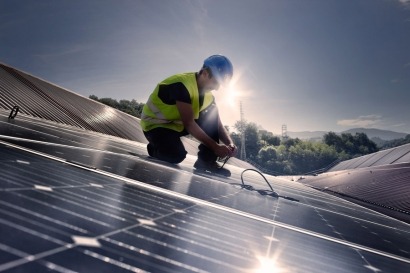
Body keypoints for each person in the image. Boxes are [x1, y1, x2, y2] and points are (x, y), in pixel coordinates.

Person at [140, 54, 237, 173]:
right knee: (175, 155)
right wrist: (216, 147)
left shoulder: (209, 97)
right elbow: (189, 124)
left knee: (211, 115)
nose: (217, 88)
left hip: (175, 126)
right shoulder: (181, 84)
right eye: (216, 82)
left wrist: (230, 144)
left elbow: (217, 125)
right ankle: (156, 147)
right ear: (205, 73)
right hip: (155, 126)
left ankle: (206, 161)